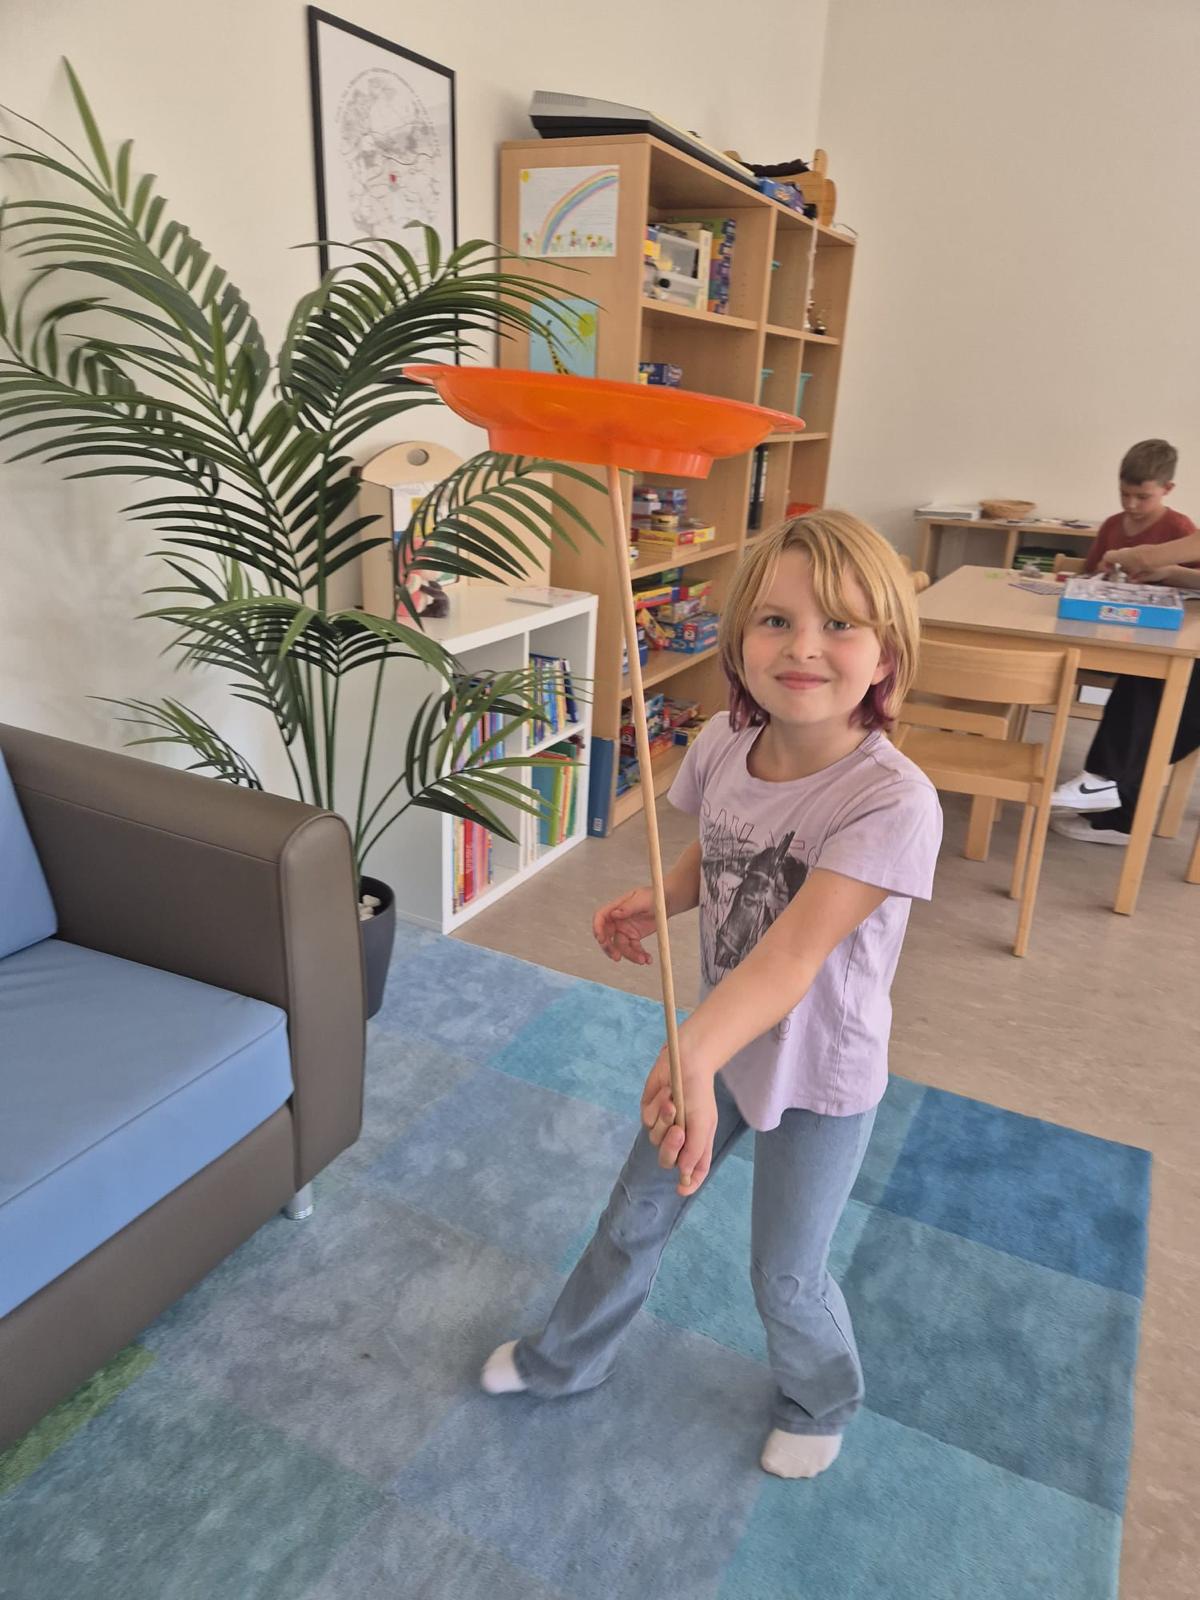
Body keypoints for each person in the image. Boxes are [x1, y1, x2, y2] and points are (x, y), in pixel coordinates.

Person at [480, 510, 942, 1481]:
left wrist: (691, 1048)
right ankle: (567, 1359)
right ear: (737, 641)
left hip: (817, 1074)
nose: (803, 646)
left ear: (888, 655)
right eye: (775, 621)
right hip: (719, 1046)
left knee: (786, 1273)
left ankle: (821, 1398)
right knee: (633, 1213)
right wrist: (659, 898)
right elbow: (719, 845)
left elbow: (793, 956)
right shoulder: (725, 743)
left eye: (839, 624)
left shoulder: (891, 802)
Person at [1051, 439, 1200, 843]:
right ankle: (1107, 784)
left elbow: (1151, 556)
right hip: (1139, 635)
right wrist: (1168, 571)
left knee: (1156, 689)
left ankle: (1116, 798)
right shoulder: (1116, 523)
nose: (1131, 504)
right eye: (1125, 494)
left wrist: (1143, 560)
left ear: (1166, 489)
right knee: (1145, 682)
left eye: (1142, 496)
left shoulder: (1178, 526)